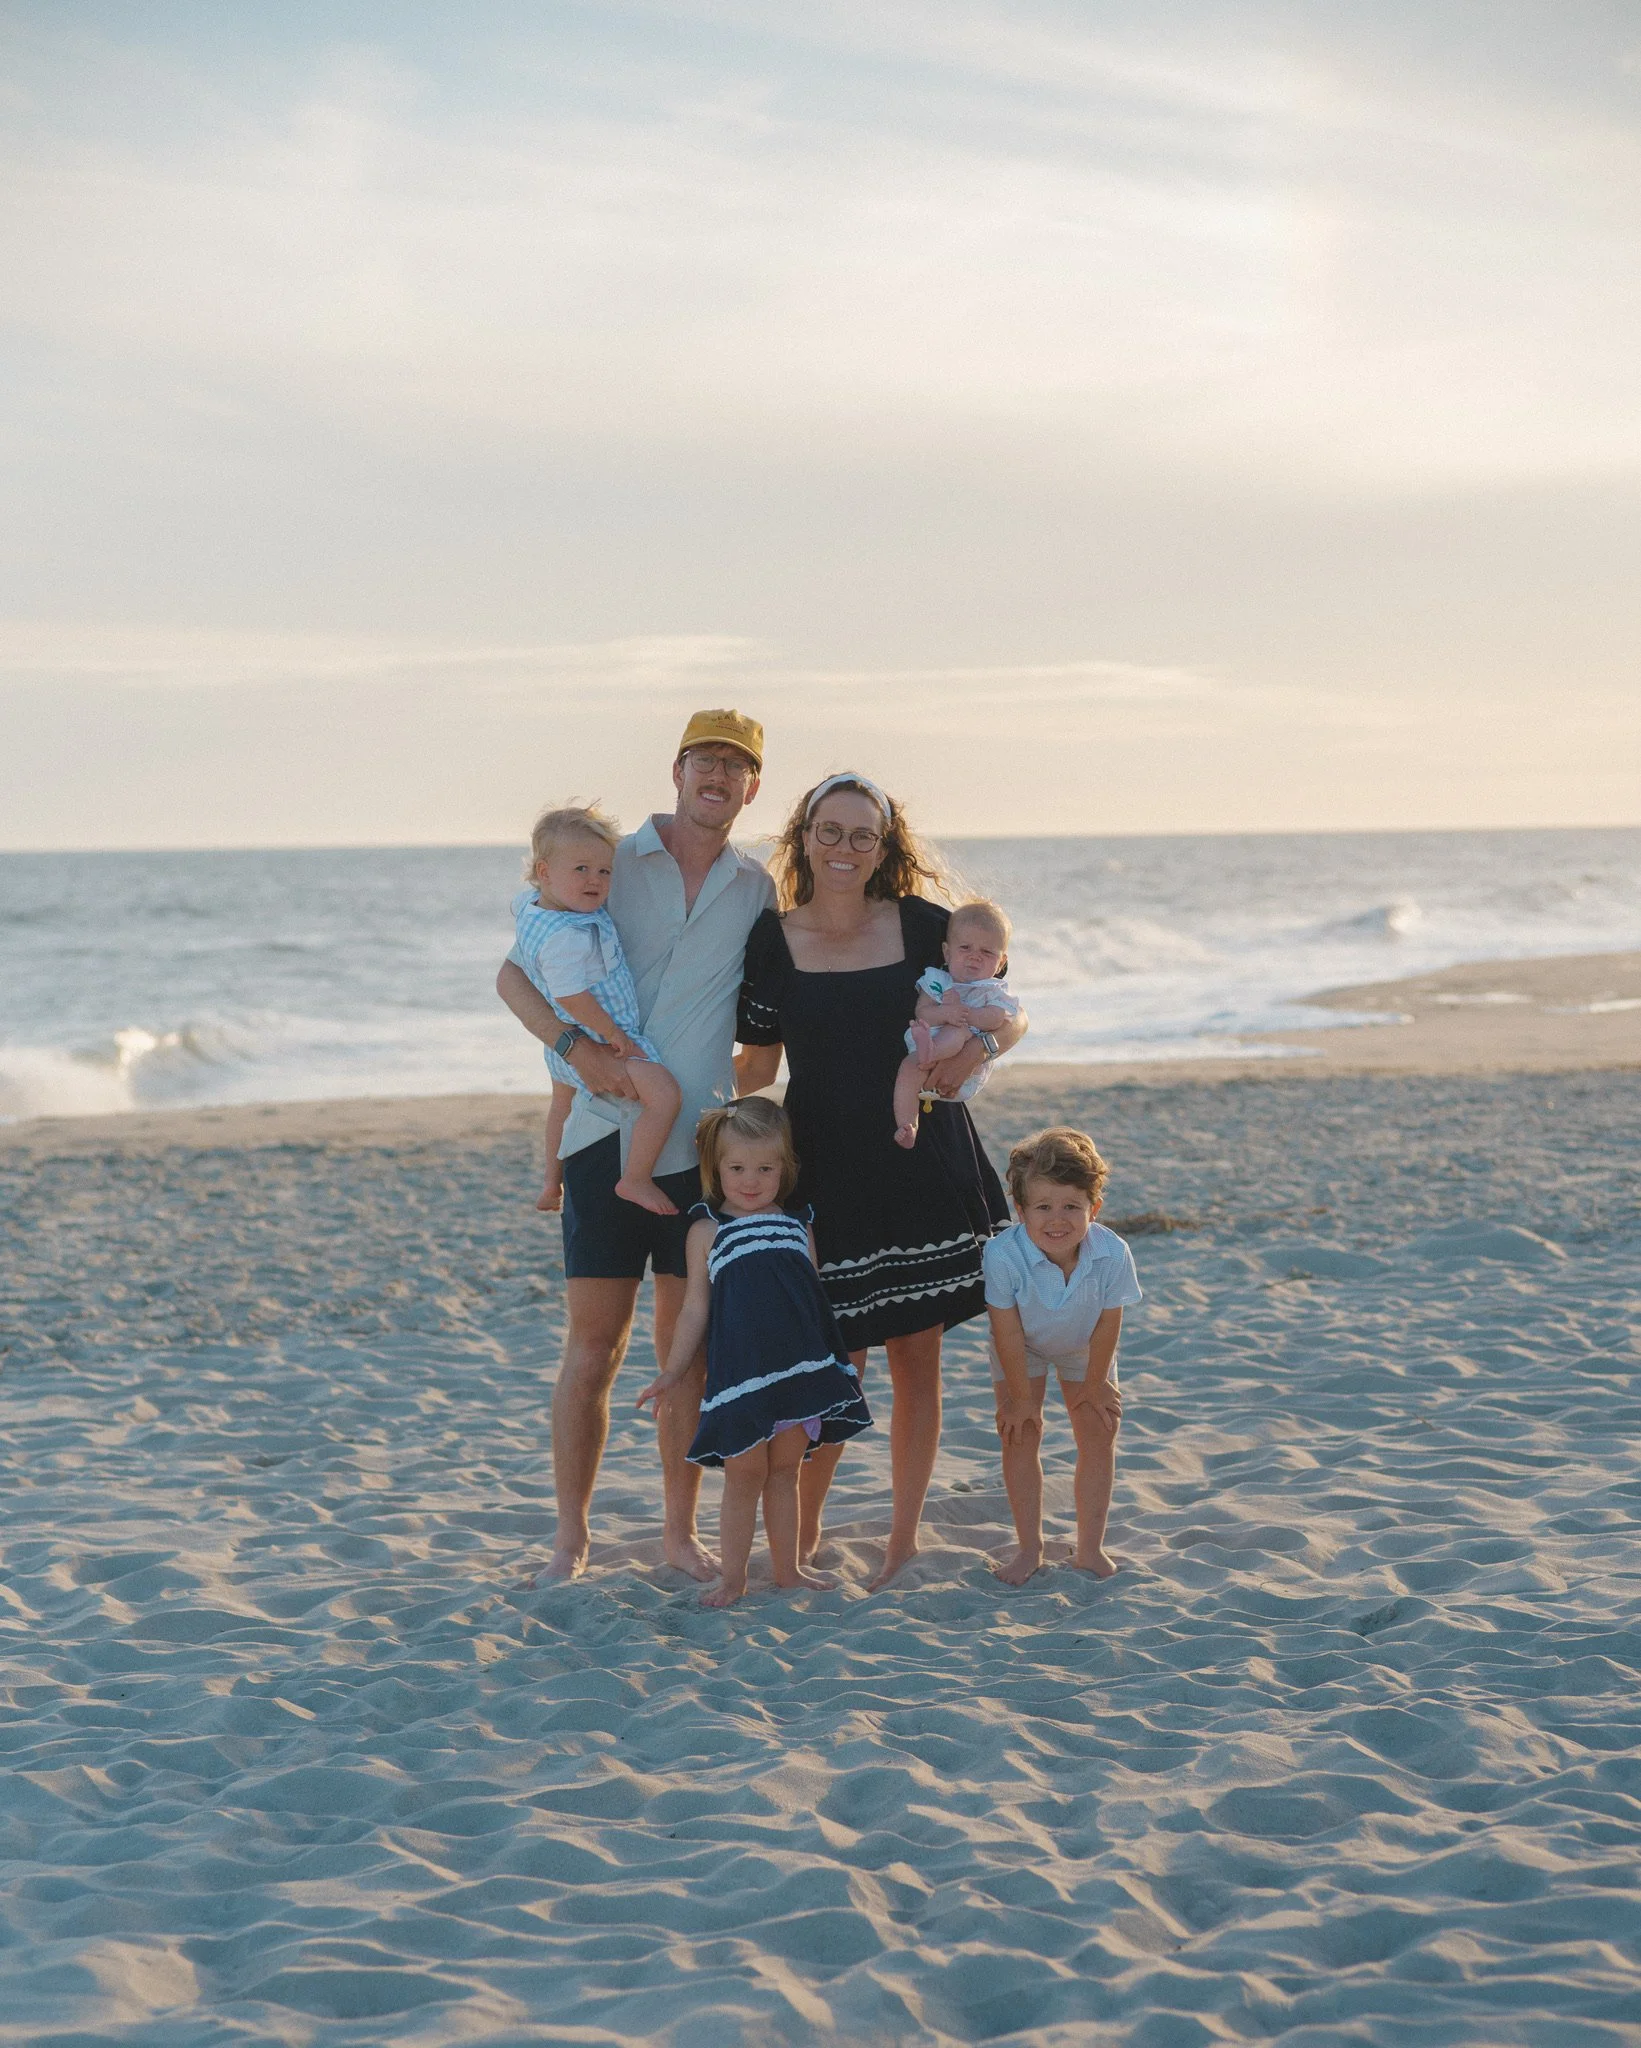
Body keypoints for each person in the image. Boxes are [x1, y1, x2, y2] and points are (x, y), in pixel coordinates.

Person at [496, 710, 775, 1583]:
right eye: (704, 761)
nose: (717, 777)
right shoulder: (610, 865)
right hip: (599, 1139)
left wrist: (736, 1089)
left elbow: (761, 1036)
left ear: (751, 786)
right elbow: (514, 974)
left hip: (699, 1151)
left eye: (736, 767)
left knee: (680, 1351)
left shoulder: (755, 888)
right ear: (677, 770)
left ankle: (677, 1532)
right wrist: (573, 1050)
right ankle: (570, 1538)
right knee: (593, 1351)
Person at [733, 772, 1028, 1589]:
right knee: (836, 1363)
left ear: (884, 846)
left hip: (921, 1160)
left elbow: (1006, 1002)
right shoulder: (769, 940)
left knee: (914, 1359)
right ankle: (806, 1532)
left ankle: (901, 1542)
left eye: (862, 835)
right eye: (829, 832)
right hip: (822, 1167)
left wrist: (981, 1050)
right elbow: (755, 1066)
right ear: (802, 837)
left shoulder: (925, 926)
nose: (844, 849)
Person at [636, 1098, 873, 1607]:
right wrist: (674, 1371)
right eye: (737, 1168)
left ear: (784, 1168)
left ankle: (787, 1571)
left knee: (786, 1473)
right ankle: (734, 1578)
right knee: (745, 1476)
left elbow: (813, 1300)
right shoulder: (707, 1231)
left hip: (798, 1371)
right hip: (742, 1376)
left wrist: (834, 1363)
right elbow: (695, 1308)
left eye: (765, 1168)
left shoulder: (797, 1223)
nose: (750, 1180)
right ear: (716, 1168)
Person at [984, 1127, 1141, 1585]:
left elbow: (1110, 1321)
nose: (1058, 1220)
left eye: (1072, 1207)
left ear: (1094, 1208)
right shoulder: (1002, 1254)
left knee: (1098, 1434)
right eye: (1043, 1207)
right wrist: (1019, 1397)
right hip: (1020, 1346)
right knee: (1021, 1432)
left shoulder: (1112, 1252)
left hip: (1085, 1344)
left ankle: (1090, 1549)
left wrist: (1095, 1384)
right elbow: (1006, 1329)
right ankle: (1029, 1550)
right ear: (1021, 1210)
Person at [513, 805, 682, 1218]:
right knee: (664, 1093)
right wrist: (615, 1035)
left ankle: (552, 1183)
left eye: (604, 872)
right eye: (582, 869)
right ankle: (636, 1177)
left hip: (561, 1045)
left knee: (561, 1106)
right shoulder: (566, 937)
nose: (595, 880)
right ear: (545, 871)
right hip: (595, 1039)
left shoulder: (533, 907)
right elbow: (571, 996)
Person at [892, 897, 1020, 1148]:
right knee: (907, 1069)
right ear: (947, 952)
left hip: (962, 1064)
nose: (974, 957)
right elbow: (922, 1012)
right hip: (923, 1053)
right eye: (965, 948)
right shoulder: (937, 980)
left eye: (986, 952)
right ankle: (908, 1125)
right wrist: (945, 1013)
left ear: (1001, 962)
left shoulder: (992, 990)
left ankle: (933, 1051)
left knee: (958, 1033)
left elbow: (998, 1017)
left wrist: (966, 1015)